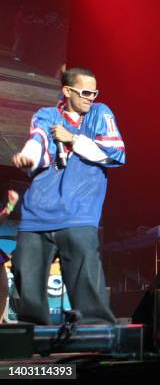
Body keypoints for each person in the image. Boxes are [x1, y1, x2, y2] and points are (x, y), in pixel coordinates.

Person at [10, 67, 125, 325]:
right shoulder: (47, 115)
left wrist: (73, 139)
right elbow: (37, 140)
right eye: (85, 92)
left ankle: (97, 335)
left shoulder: (100, 113)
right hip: (37, 211)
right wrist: (28, 156)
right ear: (67, 91)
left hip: (79, 212)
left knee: (86, 283)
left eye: (94, 92)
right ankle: (31, 337)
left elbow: (114, 153)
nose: (91, 97)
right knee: (26, 280)